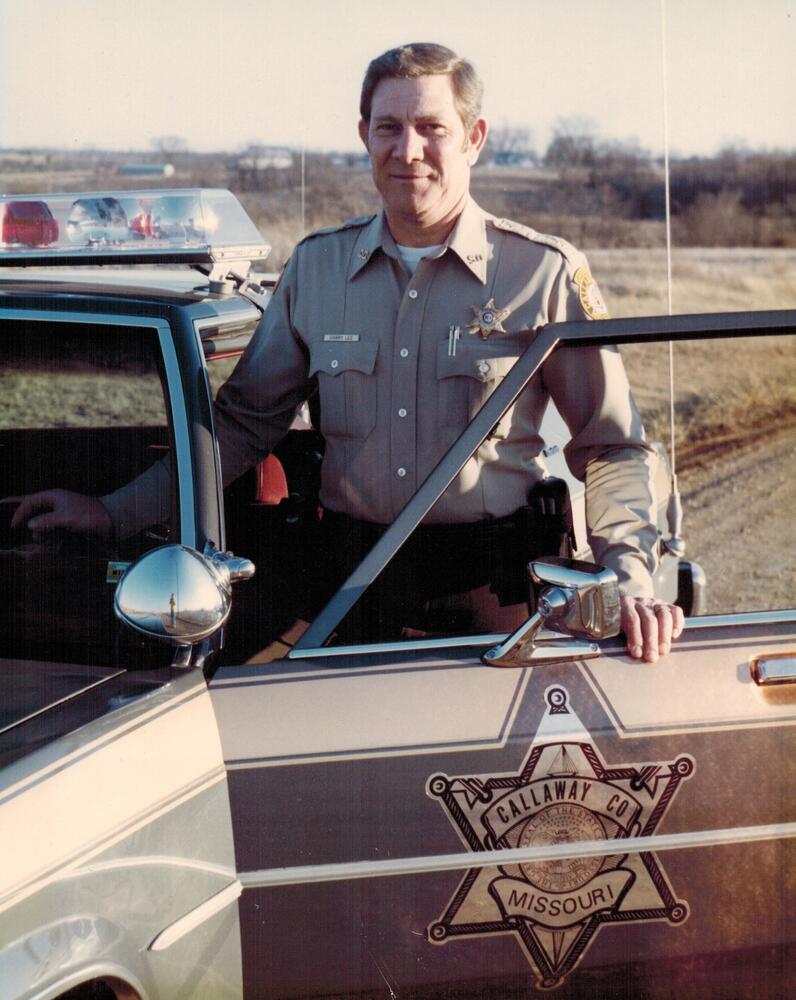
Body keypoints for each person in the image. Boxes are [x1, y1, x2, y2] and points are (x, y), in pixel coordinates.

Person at [10, 42, 683, 662]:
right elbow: (243, 425)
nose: (408, 149)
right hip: (348, 587)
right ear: (365, 136)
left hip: (490, 598)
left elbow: (613, 447)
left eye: (431, 128)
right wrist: (111, 512)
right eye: (388, 127)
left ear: (474, 139)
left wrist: (627, 576)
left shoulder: (542, 274)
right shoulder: (318, 269)